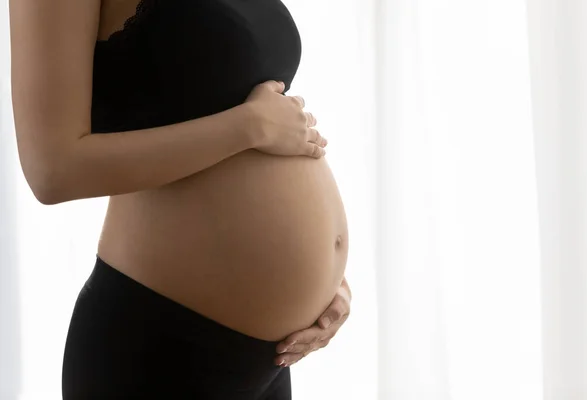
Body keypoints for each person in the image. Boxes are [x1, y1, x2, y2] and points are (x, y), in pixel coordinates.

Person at [9, 0, 352, 398]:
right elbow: (53, 170)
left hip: (271, 359)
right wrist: (248, 127)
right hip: (160, 348)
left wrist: (326, 283)